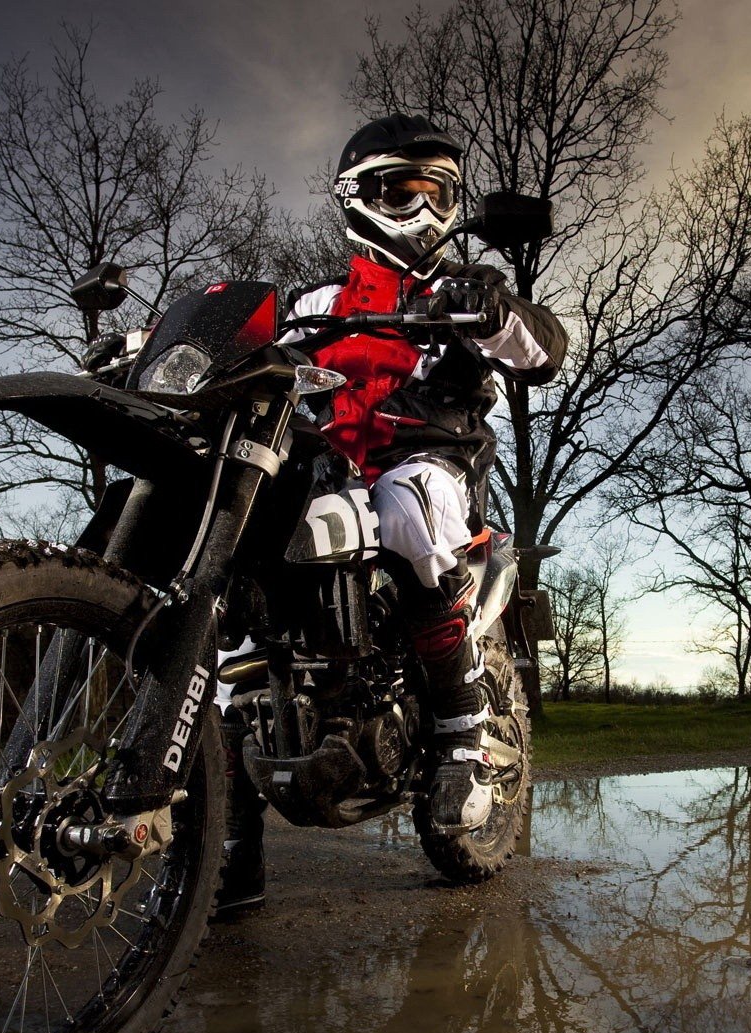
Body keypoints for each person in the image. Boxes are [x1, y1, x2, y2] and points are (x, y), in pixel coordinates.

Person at [216, 114, 567, 914]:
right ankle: (227, 846)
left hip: (427, 465)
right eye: (396, 189)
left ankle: (461, 735)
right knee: (230, 610)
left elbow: (544, 351)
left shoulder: (461, 291)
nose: (417, 207)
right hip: (321, 477)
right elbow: (244, 352)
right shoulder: (312, 302)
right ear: (356, 197)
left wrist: (497, 310)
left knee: (405, 501)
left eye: (433, 191)